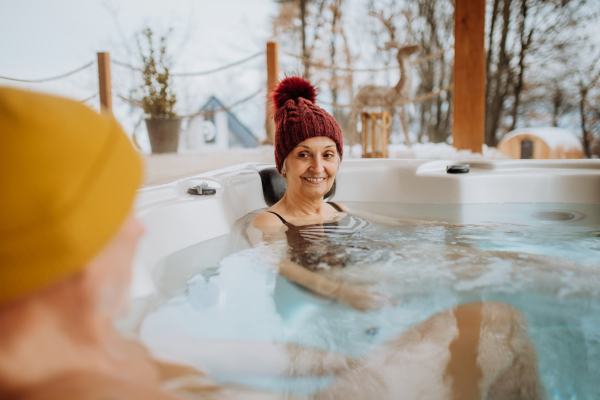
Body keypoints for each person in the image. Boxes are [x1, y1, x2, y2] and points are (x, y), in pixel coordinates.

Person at [0, 86, 544, 400]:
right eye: (117, 211)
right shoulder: (82, 387)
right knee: (497, 316)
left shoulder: (96, 347)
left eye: (328, 153)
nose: (140, 226)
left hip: (339, 343)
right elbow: (271, 267)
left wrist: (335, 359)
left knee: (493, 308)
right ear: (64, 246)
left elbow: (232, 352)